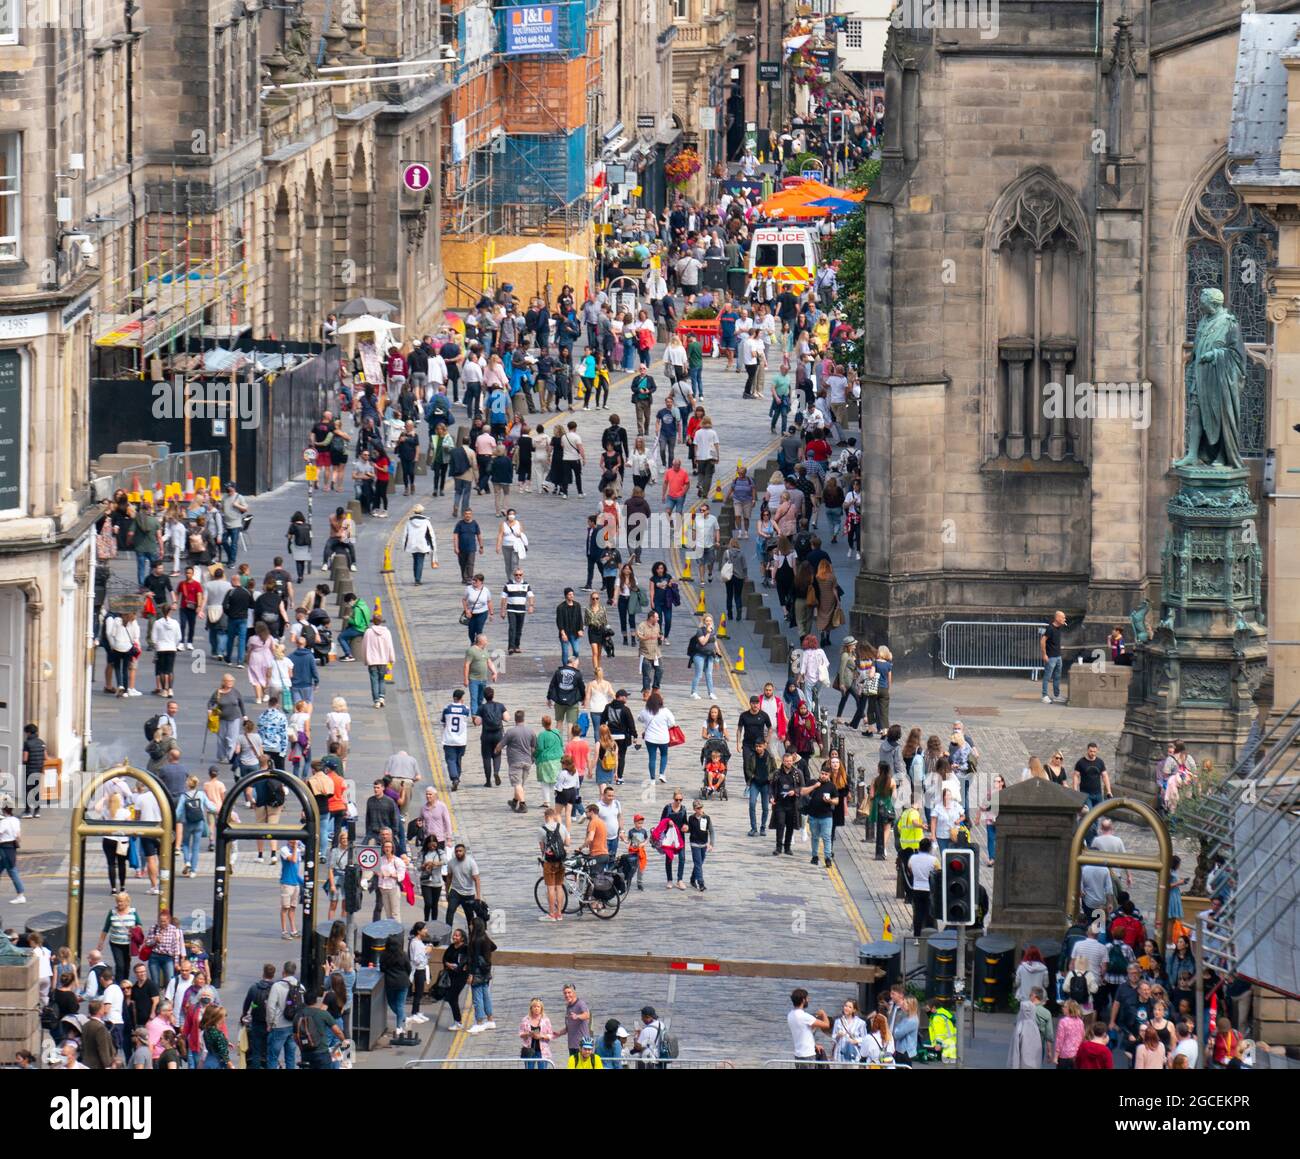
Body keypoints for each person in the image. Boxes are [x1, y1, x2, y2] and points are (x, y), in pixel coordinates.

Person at [465, 917, 497, 1034]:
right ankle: (490, 1020)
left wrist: (471, 974)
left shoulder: (475, 940)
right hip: (486, 970)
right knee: (486, 995)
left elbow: (474, 959)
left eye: (471, 924)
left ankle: (479, 1022)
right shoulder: (485, 937)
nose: (470, 926)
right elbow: (494, 947)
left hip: (477, 971)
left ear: (475, 926)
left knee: (477, 998)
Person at [788, 988, 831, 1065]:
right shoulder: (805, 1016)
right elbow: (826, 1025)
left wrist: (814, 1045)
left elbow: (803, 1032)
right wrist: (823, 1013)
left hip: (798, 1054)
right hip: (808, 1055)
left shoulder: (790, 1015)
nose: (809, 1000)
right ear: (803, 1000)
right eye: (807, 998)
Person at [402, 505, 438, 584]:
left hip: (412, 544)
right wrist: (433, 546)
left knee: (415, 561)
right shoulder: (426, 521)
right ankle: (417, 580)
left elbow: (405, 534)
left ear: (414, 511)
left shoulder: (409, 521)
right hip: (423, 544)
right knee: (420, 561)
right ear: (422, 511)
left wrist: (404, 546)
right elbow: (431, 534)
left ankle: (416, 577)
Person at [0, 801, 25, 904]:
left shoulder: (4, 822)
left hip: (5, 847)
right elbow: (18, 835)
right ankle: (20, 894)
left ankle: (21, 895)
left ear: (3, 810)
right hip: (12, 847)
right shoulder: (15, 820)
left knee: (12, 871)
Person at [1041, 609, 1066, 703]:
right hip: (1051, 657)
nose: (1064, 619)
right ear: (1057, 618)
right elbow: (1043, 641)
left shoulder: (1059, 627)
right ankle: (1044, 696)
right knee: (1047, 676)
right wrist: (1044, 654)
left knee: (1057, 676)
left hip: (1058, 656)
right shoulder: (1050, 628)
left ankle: (1056, 695)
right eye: (1063, 617)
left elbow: (1054, 641)